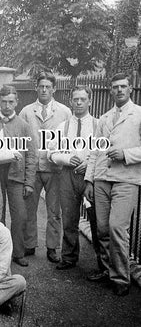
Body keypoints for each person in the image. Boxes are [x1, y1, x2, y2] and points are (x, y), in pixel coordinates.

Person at [84, 73, 141, 296]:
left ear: (129, 89)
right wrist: (89, 179)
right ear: (110, 90)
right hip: (101, 178)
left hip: (126, 179)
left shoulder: (138, 115)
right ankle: (107, 270)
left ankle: (120, 277)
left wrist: (126, 153)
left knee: (118, 227)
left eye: (123, 86)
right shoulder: (105, 118)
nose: (119, 90)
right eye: (115, 87)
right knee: (102, 229)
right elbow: (95, 150)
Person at [0, 85, 37, 266]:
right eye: (3, 101)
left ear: (17, 102)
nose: (7, 105)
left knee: (19, 215)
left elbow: (31, 155)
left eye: (11, 102)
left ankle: (18, 253)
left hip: (17, 177)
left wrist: (29, 182)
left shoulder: (24, 126)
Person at [19, 72, 71, 263]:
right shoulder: (26, 111)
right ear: (36, 88)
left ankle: (52, 247)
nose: (44, 90)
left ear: (54, 89)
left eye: (48, 87)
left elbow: (69, 140)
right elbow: (21, 139)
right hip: (32, 168)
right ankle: (29, 244)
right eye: (41, 86)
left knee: (54, 211)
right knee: (29, 209)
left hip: (55, 169)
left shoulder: (64, 112)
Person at [48, 86, 98, 270]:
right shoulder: (63, 126)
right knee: (69, 218)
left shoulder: (97, 125)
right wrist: (66, 158)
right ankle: (69, 257)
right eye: (75, 99)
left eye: (82, 99)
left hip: (90, 176)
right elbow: (50, 153)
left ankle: (102, 263)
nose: (78, 103)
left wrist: (88, 164)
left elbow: (102, 151)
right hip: (68, 175)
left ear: (89, 101)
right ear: (71, 101)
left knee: (96, 219)